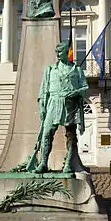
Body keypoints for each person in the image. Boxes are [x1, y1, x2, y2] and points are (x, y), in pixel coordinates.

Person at [35, 42, 88, 173]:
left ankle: (68, 164)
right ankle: (43, 163)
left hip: (70, 104)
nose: (58, 55)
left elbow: (85, 87)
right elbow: (44, 90)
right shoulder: (50, 69)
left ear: (66, 52)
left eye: (60, 52)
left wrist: (76, 92)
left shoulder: (76, 69)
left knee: (71, 135)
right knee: (47, 133)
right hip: (53, 103)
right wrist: (42, 106)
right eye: (56, 52)